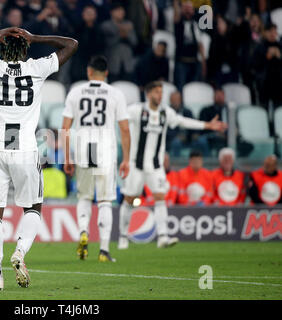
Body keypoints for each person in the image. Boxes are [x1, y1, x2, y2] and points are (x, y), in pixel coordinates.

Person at [0, 27, 78, 290]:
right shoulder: (37, 68)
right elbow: (71, 44)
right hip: (25, 150)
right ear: (25, 48)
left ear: (2, 47)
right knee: (33, 207)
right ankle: (19, 252)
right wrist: (37, 37)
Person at [119, 81, 227, 249]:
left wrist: (207, 125)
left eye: (161, 92)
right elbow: (119, 118)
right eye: (156, 92)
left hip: (155, 165)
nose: (159, 95)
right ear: (148, 94)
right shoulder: (136, 110)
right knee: (129, 200)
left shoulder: (165, 112)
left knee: (160, 198)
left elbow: (184, 121)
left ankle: (162, 236)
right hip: (136, 164)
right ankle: (123, 236)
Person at [62, 55, 130, 262]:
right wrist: (126, 159)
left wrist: (67, 158)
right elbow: (125, 129)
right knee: (104, 200)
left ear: (89, 72)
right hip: (105, 148)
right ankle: (104, 250)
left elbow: (65, 128)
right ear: (106, 73)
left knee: (84, 196)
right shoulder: (115, 93)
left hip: (84, 146)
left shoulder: (75, 92)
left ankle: (83, 230)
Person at [173, 0, 206, 91]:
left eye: (190, 9)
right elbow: (176, 16)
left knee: (194, 88)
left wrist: (203, 63)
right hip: (181, 62)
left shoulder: (195, 24)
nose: (188, 11)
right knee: (181, 88)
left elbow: (200, 44)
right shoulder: (179, 23)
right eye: (185, 9)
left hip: (194, 62)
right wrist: (176, 3)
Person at [100, 3, 138, 82]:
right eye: (118, 10)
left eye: (122, 10)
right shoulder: (106, 25)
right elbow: (106, 43)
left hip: (127, 64)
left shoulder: (129, 24)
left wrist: (126, 35)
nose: (121, 12)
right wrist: (120, 34)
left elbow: (135, 42)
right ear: (112, 12)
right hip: (113, 64)